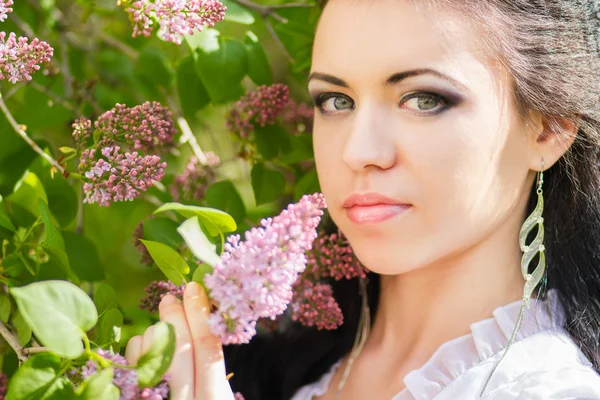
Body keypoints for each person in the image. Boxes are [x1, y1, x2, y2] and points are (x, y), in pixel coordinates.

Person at [124, 0, 600, 398]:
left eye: (423, 99)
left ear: (548, 128)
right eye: (335, 101)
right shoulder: (265, 365)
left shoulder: (550, 388)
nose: (359, 152)